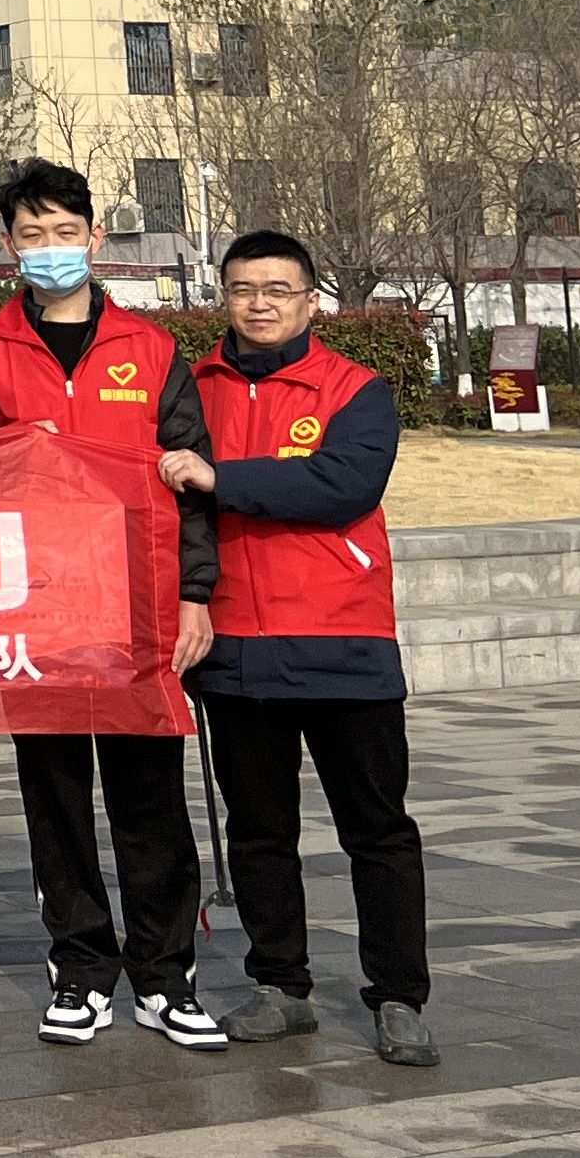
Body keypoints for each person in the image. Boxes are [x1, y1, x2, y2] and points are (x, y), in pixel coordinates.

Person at [0, 160, 223, 1051]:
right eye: (33, 235)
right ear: (8, 246)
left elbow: (193, 483)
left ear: (96, 238)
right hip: (35, 608)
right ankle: (80, 968)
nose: (51, 248)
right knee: (55, 795)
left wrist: (195, 596)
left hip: (138, 606)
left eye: (66, 232)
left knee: (150, 797)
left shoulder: (152, 348)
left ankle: (166, 976)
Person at [160, 230, 436, 1067]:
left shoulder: (356, 390)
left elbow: (344, 485)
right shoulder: (191, 387)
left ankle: (399, 996)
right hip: (236, 643)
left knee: (377, 830)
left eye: (278, 289)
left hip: (344, 641)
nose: (260, 303)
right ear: (224, 297)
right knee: (258, 830)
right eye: (244, 288)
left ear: (312, 301)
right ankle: (281, 985)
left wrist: (222, 479)